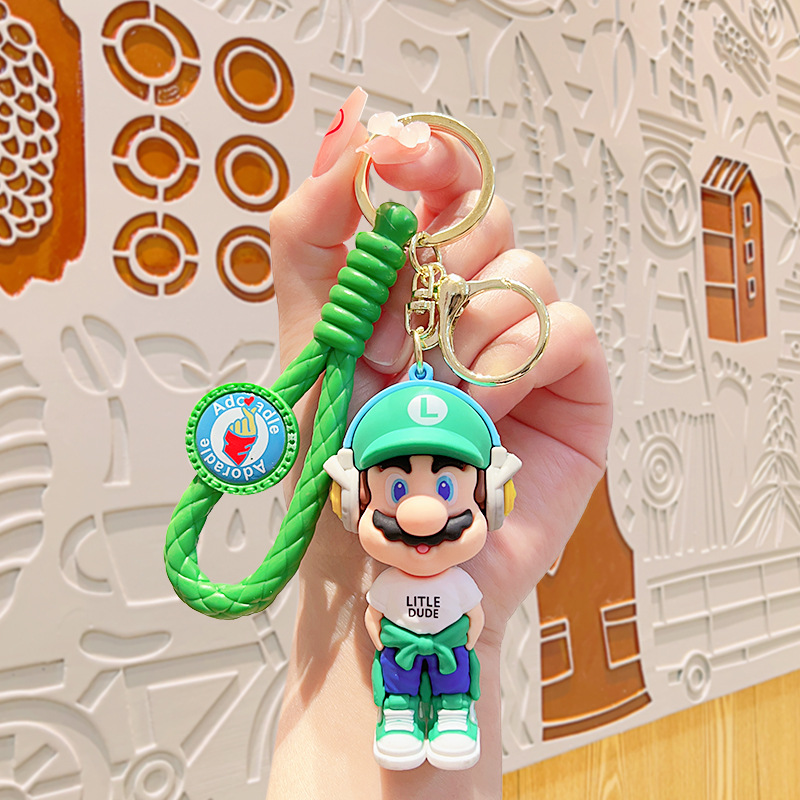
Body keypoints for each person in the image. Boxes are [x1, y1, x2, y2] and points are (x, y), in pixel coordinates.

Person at [265, 88, 612, 799]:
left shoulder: (455, 576)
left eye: (446, 484)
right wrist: (343, 588)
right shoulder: (382, 575)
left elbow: (470, 616)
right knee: (402, 694)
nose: (421, 511)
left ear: (494, 494)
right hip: (396, 664)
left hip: (451, 662)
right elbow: (375, 614)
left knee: (451, 697)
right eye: (396, 485)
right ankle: (409, 719)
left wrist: (478, 623)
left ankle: (447, 721)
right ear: (349, 493)